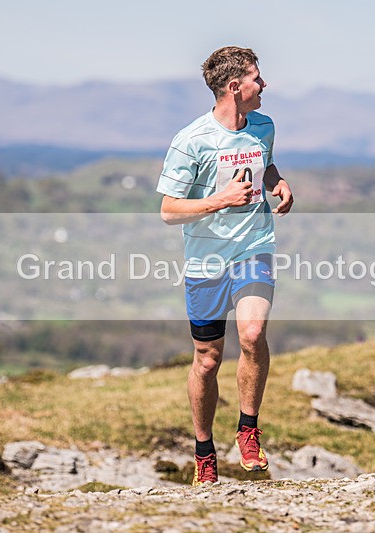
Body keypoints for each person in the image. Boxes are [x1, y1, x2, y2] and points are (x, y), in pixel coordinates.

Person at [156, 46, 293, 486]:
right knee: (208, 358)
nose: (264, 85)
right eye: (257, 78)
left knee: (253, 335)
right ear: (234, 87)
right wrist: (221, 200)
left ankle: (248, 430)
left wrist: (278, 182)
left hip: (254, 247)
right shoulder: (191, 140)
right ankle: (204, 454)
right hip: (206, 259)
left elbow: (264, 163)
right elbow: (169, 210)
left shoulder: (263, 126)